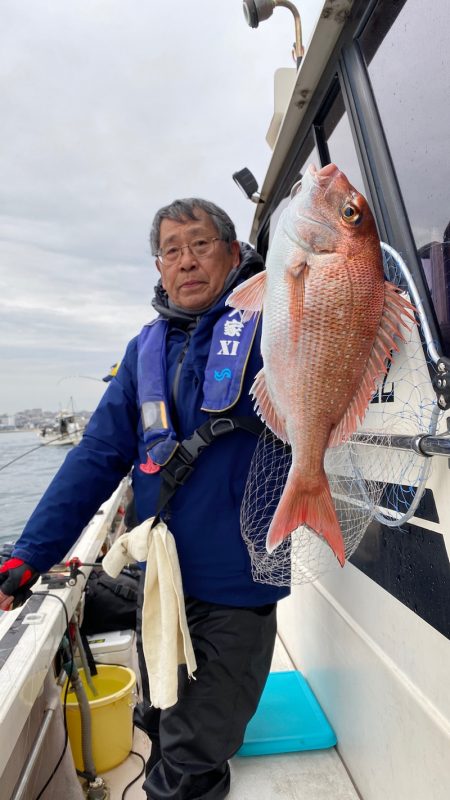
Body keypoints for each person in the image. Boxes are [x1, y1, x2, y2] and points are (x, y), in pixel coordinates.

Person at [0, 198, 289, 799]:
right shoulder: (144, 350)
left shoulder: (274, 325)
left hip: (240, 587)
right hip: (162, 582)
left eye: (202, 244)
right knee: (159, 719)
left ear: (235, 254)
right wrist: (31, 552)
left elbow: (349, 308)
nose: (186, 261)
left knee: (189, 760)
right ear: (158, 267)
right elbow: (97, 455)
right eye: (171, 250)